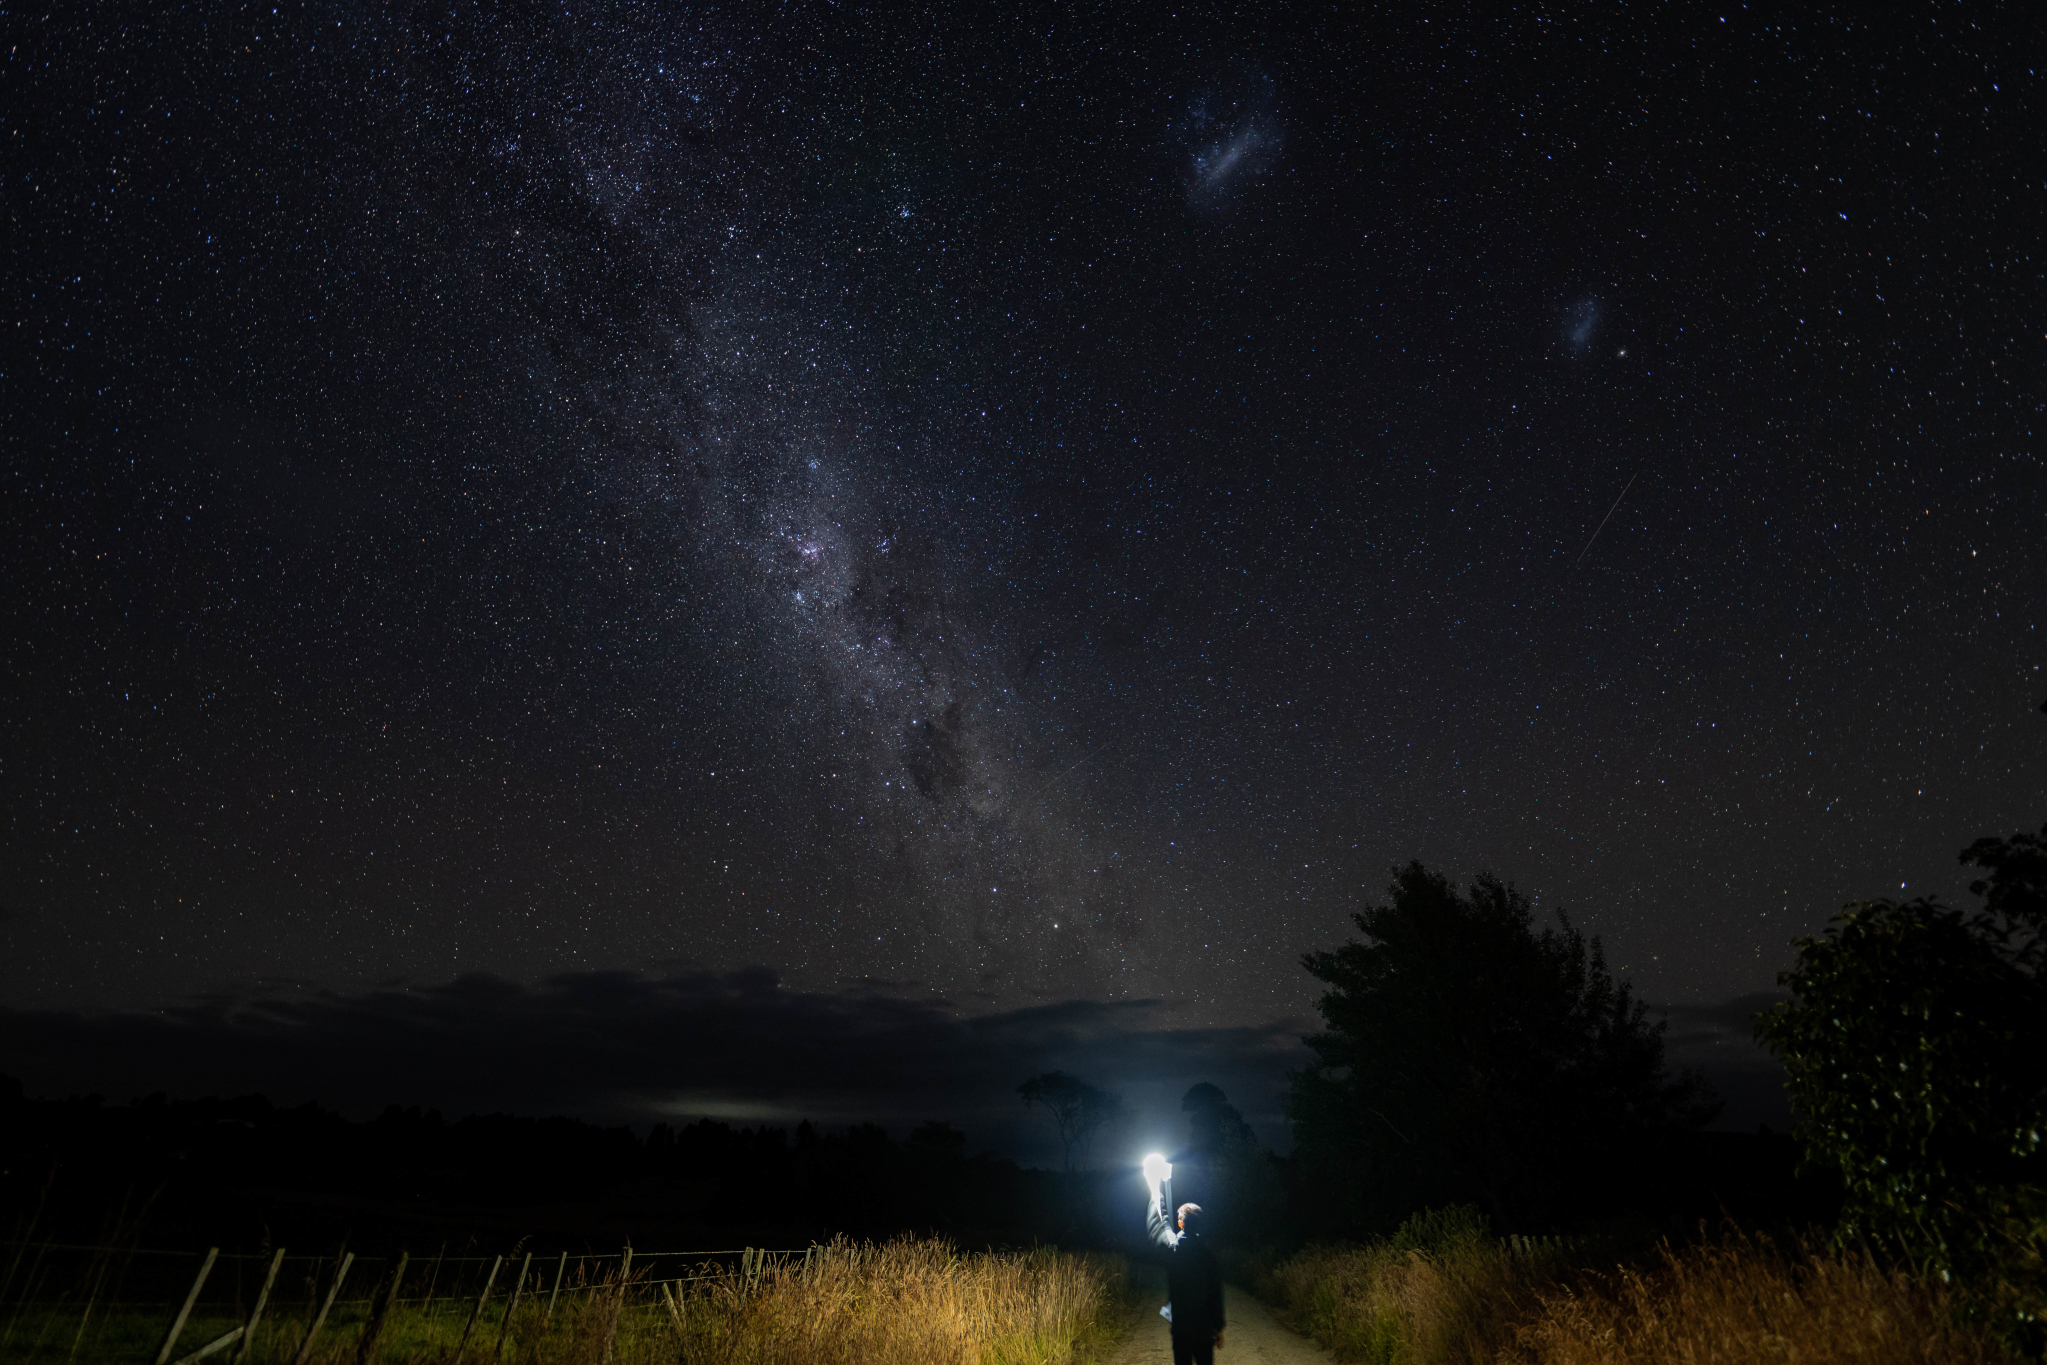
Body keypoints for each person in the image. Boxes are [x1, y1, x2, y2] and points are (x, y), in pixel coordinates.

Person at [1145, 1171, 1225, 1364]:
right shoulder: (1209, 1256)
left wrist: (1156, 1190)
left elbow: (1158, 1224)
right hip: (1205, 1331)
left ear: (1181, 1223)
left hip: (1181, 1329)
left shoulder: (1174, 1248)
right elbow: (1216, 1293)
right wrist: (1219, 1328)